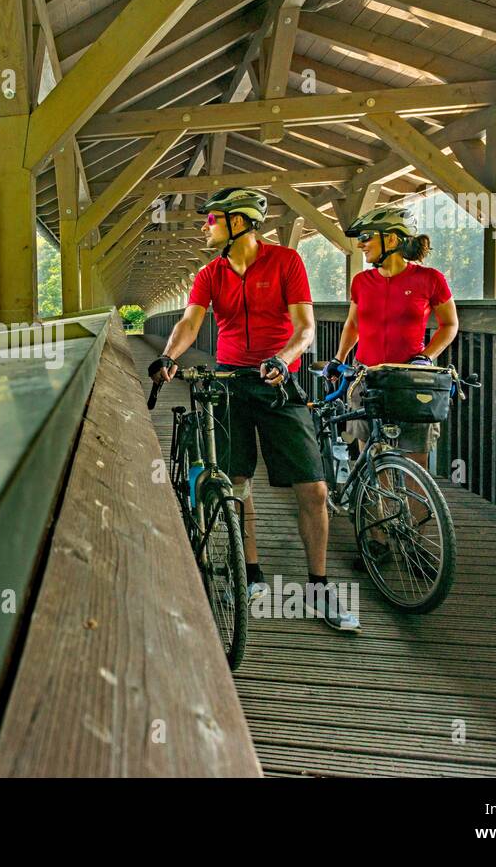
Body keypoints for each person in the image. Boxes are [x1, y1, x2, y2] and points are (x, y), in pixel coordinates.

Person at [149, 187, 360, 633]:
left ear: (239, 222)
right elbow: (190, 321)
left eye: (213, 219)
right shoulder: (209, 274)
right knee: (237, 484)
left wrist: (282, 360)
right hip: (230, 382)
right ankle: (253, 575)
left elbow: (304, 329)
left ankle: (320, 587)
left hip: (279, 382)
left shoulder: (285, 262)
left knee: (314, 489)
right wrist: (169, 356)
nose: (206, 226)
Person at [324, 205, 460, 568]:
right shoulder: (362, 282)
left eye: (368, 238)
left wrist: (427, 356)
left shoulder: (430, 279)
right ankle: (378, 537)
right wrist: (339, 359)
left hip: (411, 381)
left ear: (393, 239)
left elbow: (449, 325)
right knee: (372, 457)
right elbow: (353, 325)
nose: (363, 245)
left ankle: (416, 539)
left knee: (415, 462)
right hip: (368, 378)